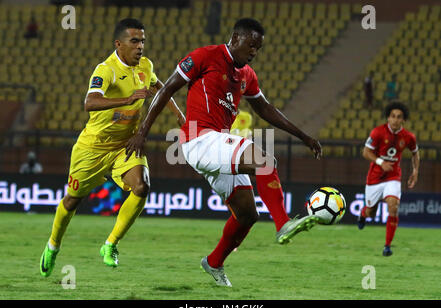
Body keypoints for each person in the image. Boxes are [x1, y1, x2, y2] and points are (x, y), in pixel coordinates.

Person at [125, 18, 322, 286]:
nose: (253, 52)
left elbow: (265, 109)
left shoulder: (247, 75)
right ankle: (283, 224)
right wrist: (142, 132)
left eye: (258, 49)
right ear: (236, 38)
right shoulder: (205, 56)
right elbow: (166, 90)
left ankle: (214, 262)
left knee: (247, 215)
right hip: (198, 139)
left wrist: (303, 135)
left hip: (218, 144)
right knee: (264, 160)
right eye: (251, 45)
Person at [39, 18, 185, 277]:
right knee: (73, 200)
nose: (140, 46)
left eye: (142, 41)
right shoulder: (105, 70)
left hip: (124, 146)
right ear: (119, 44)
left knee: (142, 186)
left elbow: (158, 86)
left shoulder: (145, 65)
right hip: (92, 148)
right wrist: (127, 99)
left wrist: (178, 113)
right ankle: (53, 245)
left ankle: (111, 244)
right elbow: (90, 102)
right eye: (134, 41)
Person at [358, 101, 419, 256]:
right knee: (371, 211)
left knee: (393, 206)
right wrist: (380, 162)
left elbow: (415, 153)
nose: (396, 119)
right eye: (393, 116)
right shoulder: (378, 132)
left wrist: (415, 171)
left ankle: (387, 246)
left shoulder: (408, 137)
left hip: (393, 176)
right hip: (375, 177)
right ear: (388, 118)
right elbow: (366, 152)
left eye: (399, 117)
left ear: (403, 120)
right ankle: (363, 214)